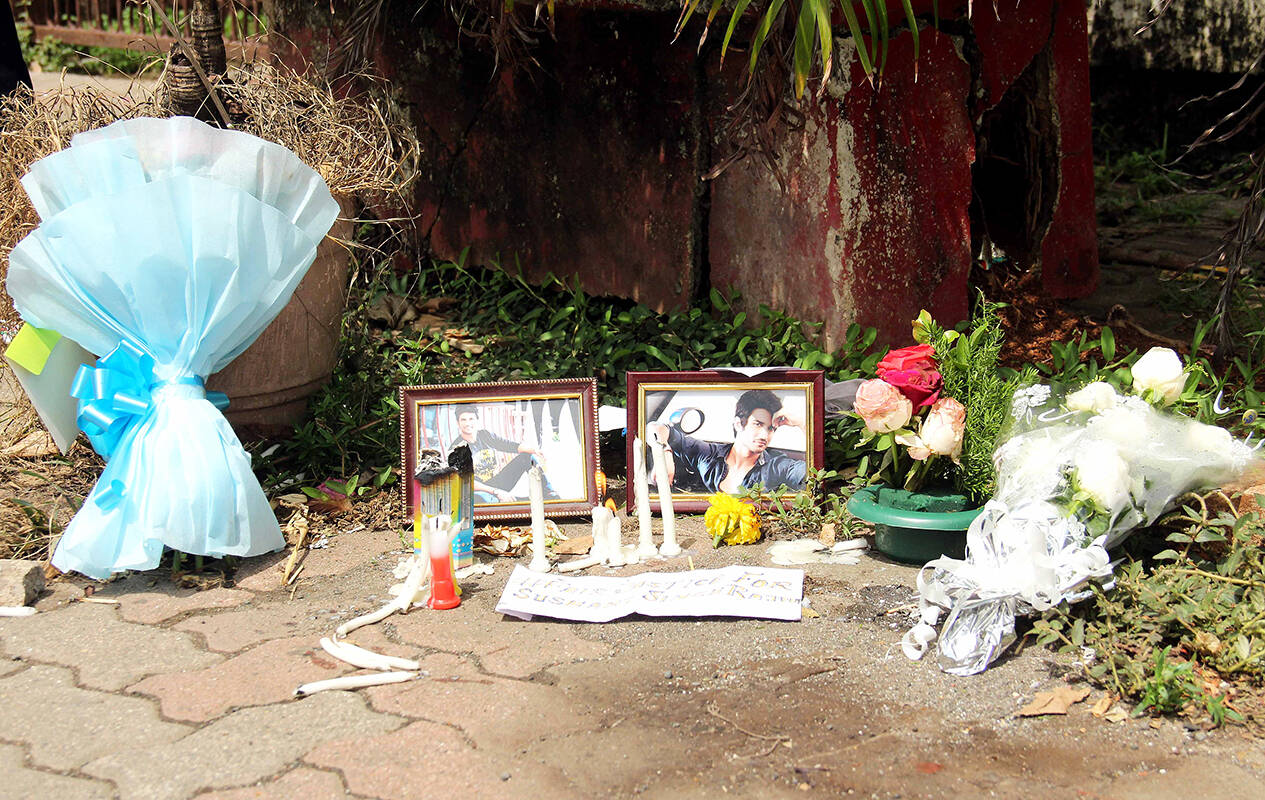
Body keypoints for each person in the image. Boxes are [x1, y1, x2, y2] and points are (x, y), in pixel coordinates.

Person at [646, 389, 807, 494]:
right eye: (757, 424)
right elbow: (654, 427)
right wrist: (664, 452)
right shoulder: (708, 454)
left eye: (771, 428)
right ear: (739, 423)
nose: (764, 435)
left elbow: (814, 476)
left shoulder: (778, 466)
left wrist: (802, 422)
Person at [449, 406, 548, 502]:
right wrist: (496, 492)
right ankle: (515, 501)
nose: (468, 423)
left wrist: (534, 450)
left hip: (498, 481)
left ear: (477, 420)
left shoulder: (485, 435)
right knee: (481, 500)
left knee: (527, 456)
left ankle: (549, 493)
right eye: (463, 420)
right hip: (479, 490)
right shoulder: (456, 449)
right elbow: (466, 482)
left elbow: (510, 445)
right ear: (458, 423)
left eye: (471, 419)